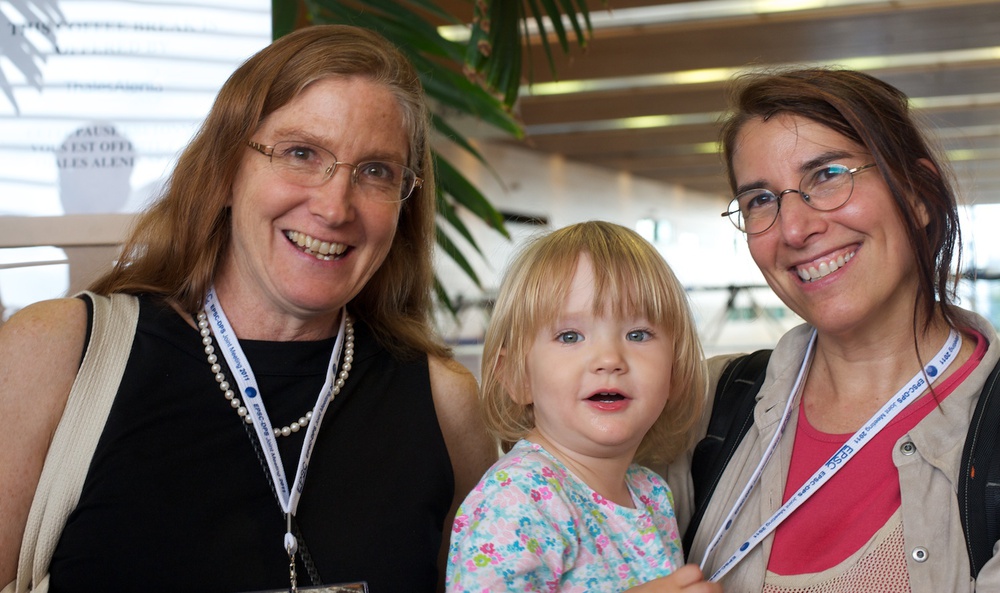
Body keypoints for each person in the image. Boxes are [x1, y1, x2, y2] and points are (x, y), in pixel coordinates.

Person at [0, 24, 497, 592]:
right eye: (301, 153)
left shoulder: (445, 405)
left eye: (376, 171)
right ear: (224, 172)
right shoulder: (56, 355)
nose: (335, 207)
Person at [666, 67, 1000, 591]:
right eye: (760, 200)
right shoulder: (701, 402)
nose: (794, 229)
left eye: (827, 175)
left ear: (918, 194)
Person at [446, 221, 720, 592]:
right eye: (570, 336)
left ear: (675, 371)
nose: (609, 359)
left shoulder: (652, 493)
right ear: (516, 376)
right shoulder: (516, 498)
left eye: (637, 334)